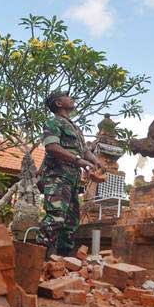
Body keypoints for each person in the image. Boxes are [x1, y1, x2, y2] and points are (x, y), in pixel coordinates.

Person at [36, 91, 103, 258]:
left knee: (71, 223)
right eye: (67, 96)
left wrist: (96, 161)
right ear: (58, 103)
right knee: (56, 218)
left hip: (72, 181)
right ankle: (35, 259)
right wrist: (78, 161)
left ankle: (63, 263)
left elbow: (85, 151)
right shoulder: (53, 122)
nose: (72, 98)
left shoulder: (75, 127)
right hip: (57, 177)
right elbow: (52, 147)